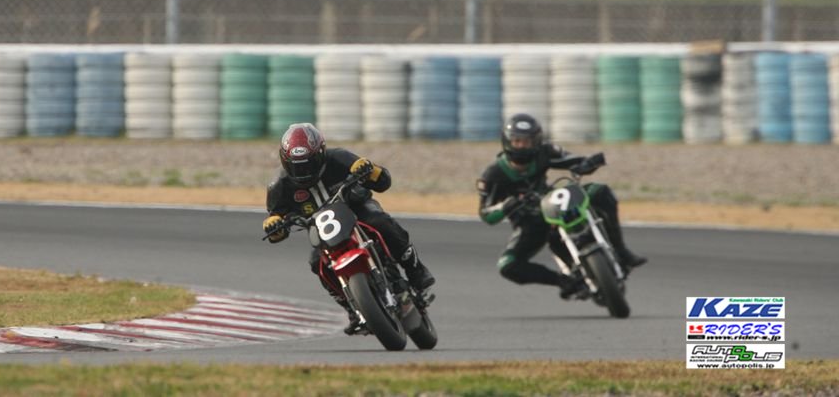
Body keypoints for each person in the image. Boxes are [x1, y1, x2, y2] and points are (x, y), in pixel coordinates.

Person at [262, 122, 436, 335]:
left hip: (357, 210)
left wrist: (368, 169)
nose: (304, 171)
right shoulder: (278, 185)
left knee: (381, 223)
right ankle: (352, 309)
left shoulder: (339, 158)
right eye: (297, 166)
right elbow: (276, 222)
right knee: (317, 262)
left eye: (309, 164)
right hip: (324, 231)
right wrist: (274, 224)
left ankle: (415, 270)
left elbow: (383, 181)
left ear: (321, 153)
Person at [476, 112, 647, 299]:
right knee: (507, 265)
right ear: (507, 142)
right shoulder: (492, 175)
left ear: (537, 141)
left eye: (527, 142)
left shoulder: (545, 152)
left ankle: (621, 251)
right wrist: (505, 206)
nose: (522, 146)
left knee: (600, 191)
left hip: (553, 204)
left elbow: (571, 159)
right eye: (517, 141)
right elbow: (486, 213)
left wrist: (586, 163)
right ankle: (564, 281)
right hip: (529, 222)